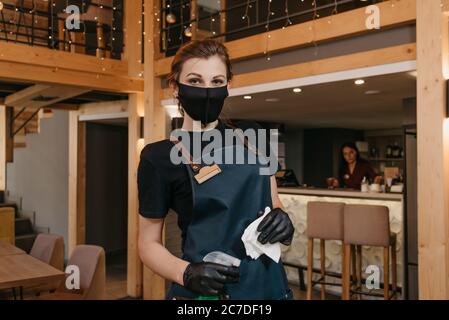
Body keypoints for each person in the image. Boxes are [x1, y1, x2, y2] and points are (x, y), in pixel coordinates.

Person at [137, 39, 295, 300]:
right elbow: (147, 244)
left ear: (228, 86)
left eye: (216, 81)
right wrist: (185, 273)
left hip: (268, 286)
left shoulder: (252, 136)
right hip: (207, 294)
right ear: (175, 87)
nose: (207, 90)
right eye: (196, 81)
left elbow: (274, 201)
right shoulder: (159, 157)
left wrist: (282, 219)